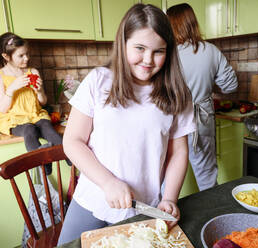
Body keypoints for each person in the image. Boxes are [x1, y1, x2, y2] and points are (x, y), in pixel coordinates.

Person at [58, 3, 196, 245]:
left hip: (144, 209)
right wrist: (108, 183)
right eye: (140, 48)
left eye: (159, 51)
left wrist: (170, 198)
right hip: (91, 201)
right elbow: (73, 141)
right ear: (123, 44)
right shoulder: (98, 81)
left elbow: (179, 152)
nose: (148, 60)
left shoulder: (177, 93)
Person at [167, 3, 238, 191]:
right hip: (202, 118)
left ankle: (162, 219)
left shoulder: (166, 54)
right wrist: (207, 86)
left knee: (167, 176)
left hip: (171, 120)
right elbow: (231, 86)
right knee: (207, 176)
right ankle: (213, 218)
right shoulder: (211, 51)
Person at [0, 32, 63, 174]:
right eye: (21, 55)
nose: (26, 58)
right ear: (6, 56)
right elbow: (3, 108)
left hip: (35, 115)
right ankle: (42, 164)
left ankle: (69, 156)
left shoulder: (32, 71)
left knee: (46, 126)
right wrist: (12, 88)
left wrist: (40, 91)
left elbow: (42, 102)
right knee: (29, 129)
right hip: (14, 120)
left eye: (27, 54)